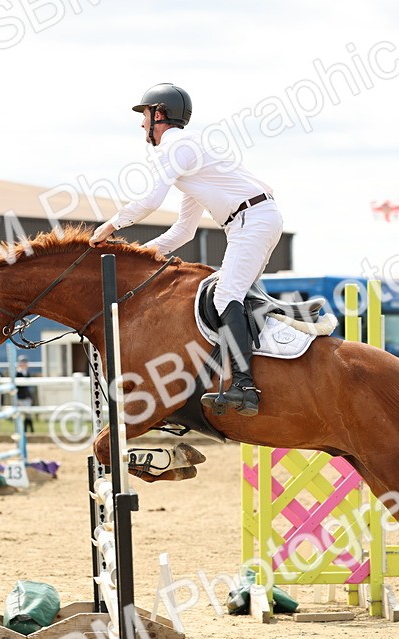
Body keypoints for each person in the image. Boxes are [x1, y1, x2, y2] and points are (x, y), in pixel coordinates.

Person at [89, 83, 283, 417]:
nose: (141, 125)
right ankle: (263, 368)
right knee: (233, 296)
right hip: (255, 218)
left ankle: (245, 385)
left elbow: (150, 200)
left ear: (159, 115)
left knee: (225, 296)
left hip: (251, 219)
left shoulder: (176, 147)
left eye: (145, 115)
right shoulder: (191, 161)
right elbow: (184, 230)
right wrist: (139, 255)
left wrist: (111, 226)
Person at [15, 356, 35, 434]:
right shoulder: (18, 373)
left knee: (28, 414)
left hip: (27, 396)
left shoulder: (27, 372)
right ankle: (24, 430)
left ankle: (30, 430)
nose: (24, 364)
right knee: (22, 414)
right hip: (20, 396)